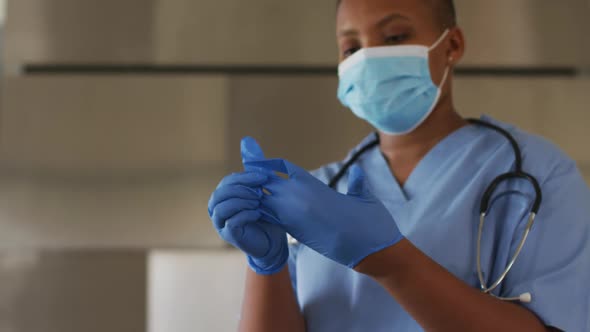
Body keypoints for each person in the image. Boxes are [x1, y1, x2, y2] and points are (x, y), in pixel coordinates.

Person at [207, 0, 590, 331]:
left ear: (452, 45)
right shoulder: (318, 192)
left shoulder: (537, 173)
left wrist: (392, 263)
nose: (368, 58)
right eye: (350, 47)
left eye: (394, 38)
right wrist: (265, 266)